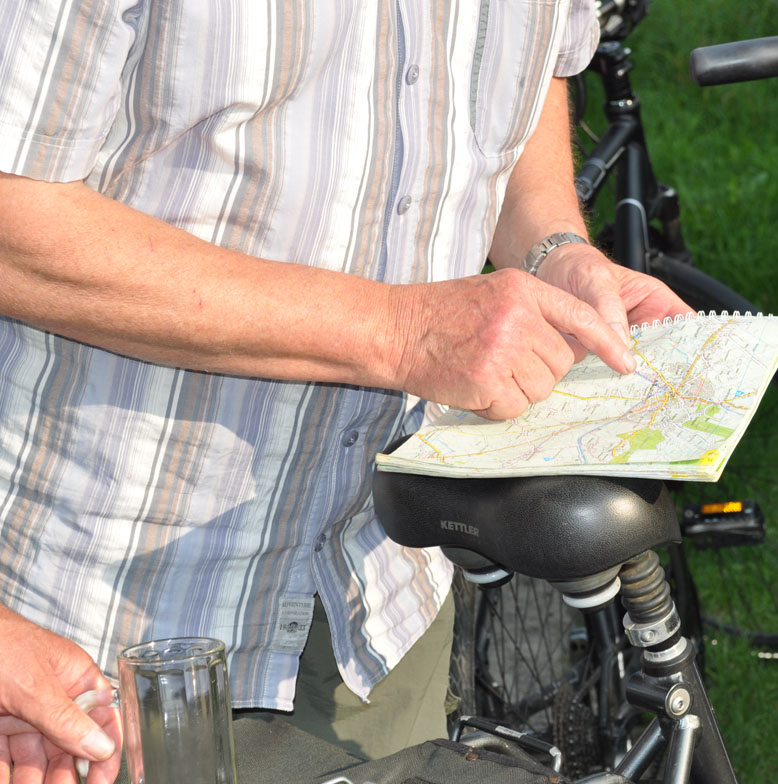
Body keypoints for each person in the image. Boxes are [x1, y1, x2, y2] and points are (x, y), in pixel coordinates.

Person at [0, 2, 693, 782]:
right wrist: (404, 333)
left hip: (382, 597)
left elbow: (527, 75)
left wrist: (552, 250)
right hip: (102, 631)